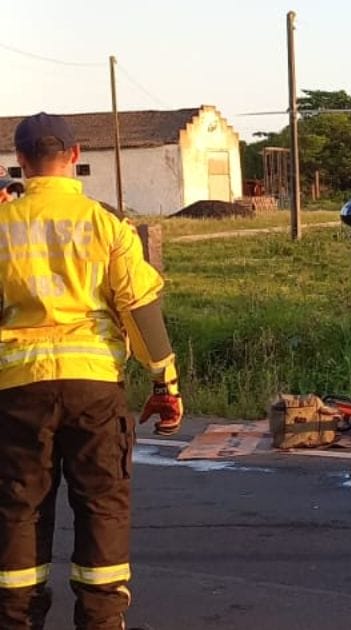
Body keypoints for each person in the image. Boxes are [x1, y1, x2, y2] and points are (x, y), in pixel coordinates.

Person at [0, 113, 184, 629]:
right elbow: (140, 310)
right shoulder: (107, 227)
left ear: (20, 160)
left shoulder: (3, 226)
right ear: (76, 156)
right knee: (102, 503)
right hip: (94, 387)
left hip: (18, 388)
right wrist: (165, 385)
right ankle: (102, 621)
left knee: (19, 507)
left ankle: (16, 618)